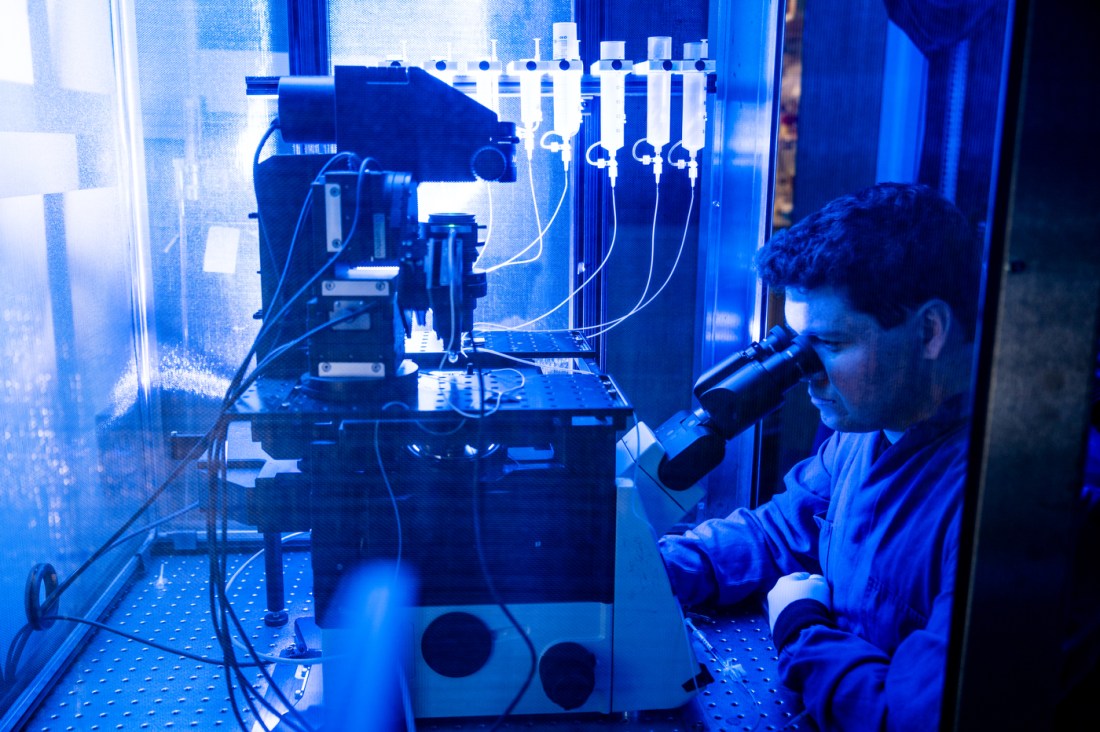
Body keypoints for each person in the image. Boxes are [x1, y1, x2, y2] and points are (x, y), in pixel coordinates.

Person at [659, 182, 983, 731]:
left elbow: (907, 720)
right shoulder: (868, 429)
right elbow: (778, 532)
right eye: (795, 344)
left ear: (929, 331)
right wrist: (650, 570)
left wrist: (801, 626)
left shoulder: (997, 504)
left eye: (829, 345)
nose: (806, 374)